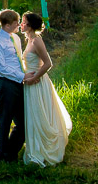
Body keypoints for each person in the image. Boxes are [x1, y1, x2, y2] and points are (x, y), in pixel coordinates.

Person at [20, 12, 72, 167]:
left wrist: (34, 78)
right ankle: (35, 147)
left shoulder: (37, 41)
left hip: (38, 83)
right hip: (30, 82)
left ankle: (44, 150)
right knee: (33, 115)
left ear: (29, 25)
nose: (21, 25)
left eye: (23, 22)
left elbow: (48, 63)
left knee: (40, 114)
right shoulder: (28, 40)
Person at [0, 9, 36, 162]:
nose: (19, 25)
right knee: (5, 120)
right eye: (16, 23)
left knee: (23, 121)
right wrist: (22, 76)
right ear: (7, 25)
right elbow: (2, 68)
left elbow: (18, 60)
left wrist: (26, 74)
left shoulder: (15, 38)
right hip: (6, 84)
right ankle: (2, 156)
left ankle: (11, 153)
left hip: (18, 83)